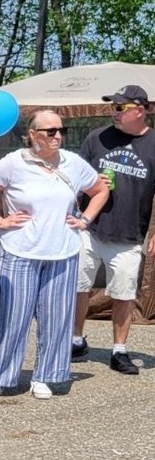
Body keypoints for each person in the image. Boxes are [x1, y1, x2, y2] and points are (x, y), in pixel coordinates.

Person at [0, 110, 108, 402]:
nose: (58, 135)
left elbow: (99, 190)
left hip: (63, 250)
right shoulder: (14, 162)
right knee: (12, 316)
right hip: (20, 249)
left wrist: (85, 219)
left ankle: (46, 376)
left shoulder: (73, 163)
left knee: (57, 318)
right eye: (50, 131)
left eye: (61, 130)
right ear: (32, 135)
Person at [73, 85, 155, 374]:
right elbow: (75, 177)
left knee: (123, 292)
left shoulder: (153, 144)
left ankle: (119, 350)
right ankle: (75, 340)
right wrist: (91, 185)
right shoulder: (98, 137)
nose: (114, 113)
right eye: (112, 107)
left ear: (140, 110)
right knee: (78, 286)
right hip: (89, 227)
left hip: (129, 234)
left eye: (120, 108)